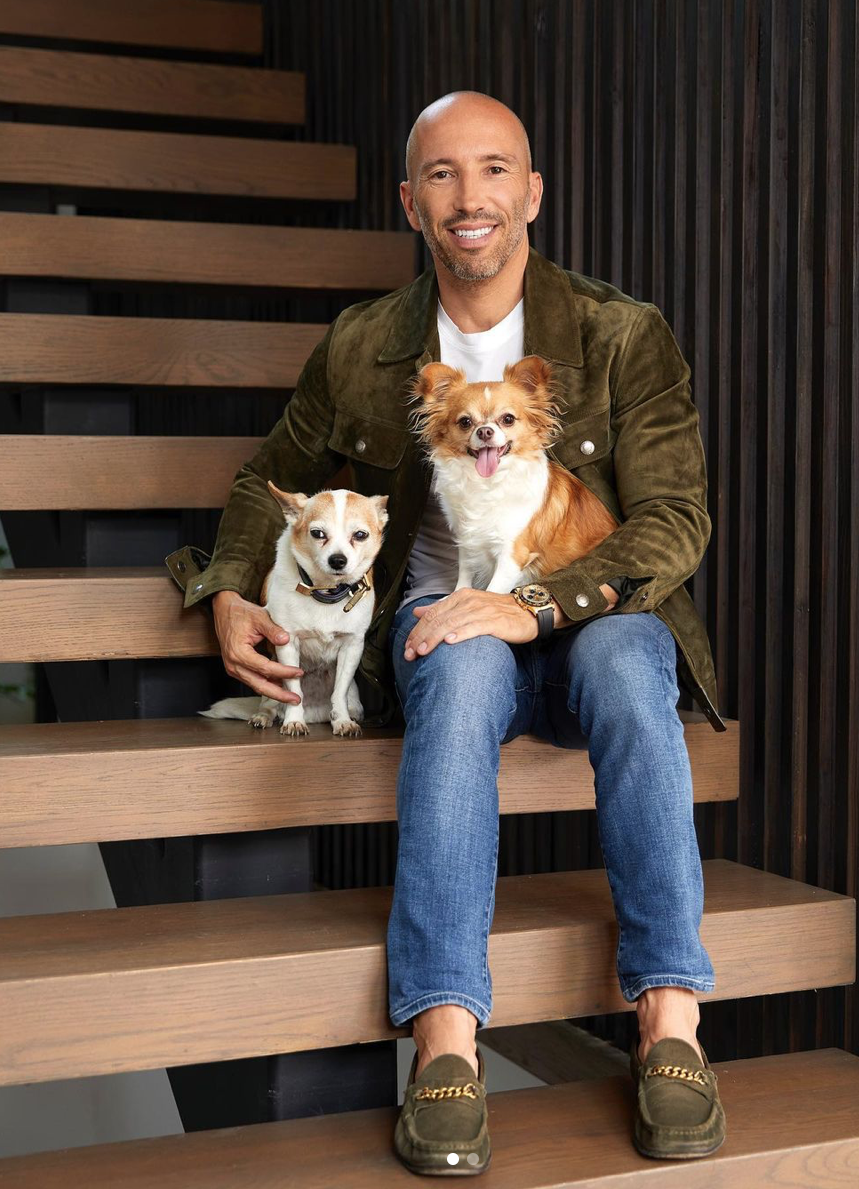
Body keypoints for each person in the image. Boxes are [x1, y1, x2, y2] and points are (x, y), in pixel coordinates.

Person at [170, 91, 727, 1171]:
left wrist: (537, 603)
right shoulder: (365, 343)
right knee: (460, 661)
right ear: (410, 203)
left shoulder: (619, 332)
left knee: (626, 664)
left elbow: (674, 518)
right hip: (442, 620)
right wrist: (231, 587)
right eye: (441, 173)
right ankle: (445, 1036)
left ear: (532, 193)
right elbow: (263, 476)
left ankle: (670, 1018)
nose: (470, 196)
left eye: (493, 169)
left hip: (592, 611)